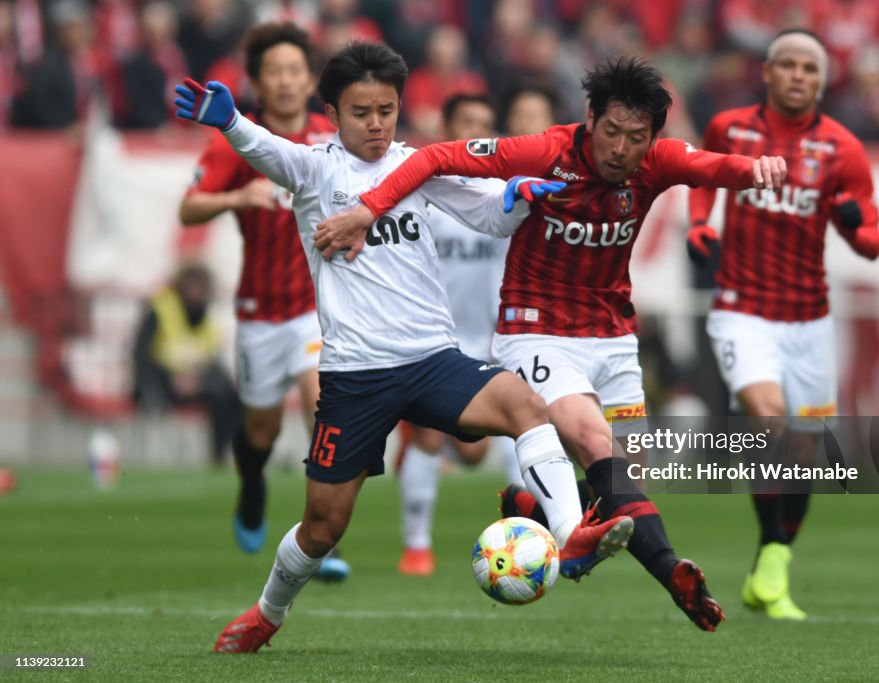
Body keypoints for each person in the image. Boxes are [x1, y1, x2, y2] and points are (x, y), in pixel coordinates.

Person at [173, 41, 635, 654]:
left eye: (386, 109)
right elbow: (269, 151)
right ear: (333, 112)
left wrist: (516, 194)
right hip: (356, 376)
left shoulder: (414, 165)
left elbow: (488, 216)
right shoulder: (315, 168)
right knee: (322, 526)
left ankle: (572, 534)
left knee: (526, 406)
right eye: (361, 110)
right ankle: (266, 614)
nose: (375, 123)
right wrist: (232, 122)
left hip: (431, 360)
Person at [314, 55, 789, 632]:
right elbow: (438, 156)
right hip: (534, 330)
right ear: (590, 119)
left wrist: (756, 168)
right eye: (610, 131)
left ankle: (531, 510)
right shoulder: (545, 152)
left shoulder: (658, 163)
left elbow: (714, 167)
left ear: (653, 139)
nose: (619, 148)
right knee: (593, 442)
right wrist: (368, 209)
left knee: (624, 483)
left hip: (612, 335)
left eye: (635, 138)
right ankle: (674, 574)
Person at [686, 29, 879, 620]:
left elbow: (873, 242)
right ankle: (773, 561)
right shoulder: (730, 128)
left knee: (801, 448)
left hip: (810, 322)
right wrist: (700, 226)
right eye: (789, 65)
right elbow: (702, 182)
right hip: (742, 310)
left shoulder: (844, 148)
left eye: (811, 69)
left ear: (822, 80)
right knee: (767, 419)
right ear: (767, 72)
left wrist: (853, 225)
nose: (799, 76)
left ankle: (771, 559)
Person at [178, 22, 348, 581]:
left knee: (326, 407)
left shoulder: (331, 136)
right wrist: (237, 195)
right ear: (256, 81)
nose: (284, 80)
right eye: (273, 71)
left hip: (315, 308)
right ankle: (251, 487)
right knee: (262, 433)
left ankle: (319, 534)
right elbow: (189, 208)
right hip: (257, 312)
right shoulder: (236, 137)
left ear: (310, 79)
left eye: (294, 70)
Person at [396, 92, 524, 577]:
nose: (476, 134)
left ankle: (527, 536)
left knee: (489, 446)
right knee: (430, 439)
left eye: (485, 125)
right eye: (466, 122)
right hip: (434, 339)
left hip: (495, 339)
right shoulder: (423, 191)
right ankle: (416, 546)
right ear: (444, 128)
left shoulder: (504, 195)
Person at [132, 262, 242, 464]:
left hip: (194, 380)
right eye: (192, 286)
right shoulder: (162, 307)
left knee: (230, 395)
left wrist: (195, 379)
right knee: (152, 391)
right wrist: (171, 379)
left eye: (201, 287)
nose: (196, 292)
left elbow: (211, 357)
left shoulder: (208, 317)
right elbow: (142, 353)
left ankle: (220, 454)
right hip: (160, 380)